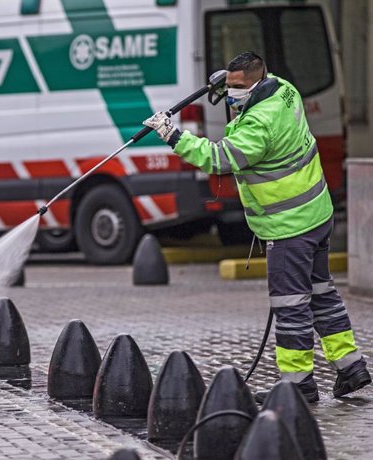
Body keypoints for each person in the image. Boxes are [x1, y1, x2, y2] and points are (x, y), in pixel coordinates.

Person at [144, 51, 370, 403]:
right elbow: (251, 85)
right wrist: (228, 82)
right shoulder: (283, 88)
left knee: (291, 305)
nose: (230, 96)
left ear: (253, 84)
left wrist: (173, 136)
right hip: (316, 213)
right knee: (322, 294)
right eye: (227, 87)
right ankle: (351, 366)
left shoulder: (259, 125)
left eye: (236, 89)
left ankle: (298, 386)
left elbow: (218, 159)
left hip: (289, 226)